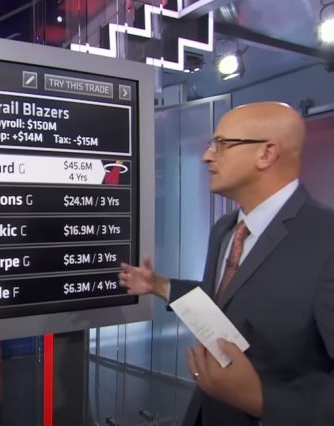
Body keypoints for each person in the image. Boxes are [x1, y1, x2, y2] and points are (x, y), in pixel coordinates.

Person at [119, 102, 334, 426]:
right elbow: (222, 306)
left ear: (266, 153)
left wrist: (261, 401)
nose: (206, 156)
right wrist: (158, 285)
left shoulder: (326, 239)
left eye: (221, 144)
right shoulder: (226, 229)